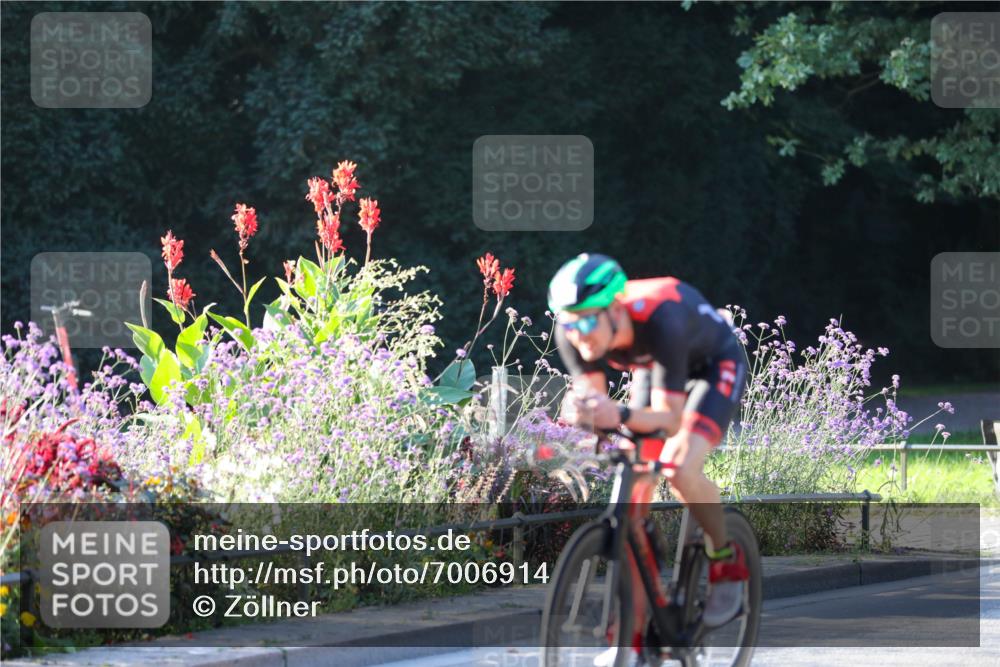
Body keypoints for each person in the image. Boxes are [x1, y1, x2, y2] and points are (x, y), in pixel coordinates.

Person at [548, 253, 750, 646]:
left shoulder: (662, 319)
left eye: (587, 321)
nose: (578, 334)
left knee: (678, 467)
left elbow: (670, 421)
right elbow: (595, 404)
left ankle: (726, 559)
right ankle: (636, 627)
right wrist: (587, 421)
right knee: (634, 489)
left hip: (712, 365)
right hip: (654, 366)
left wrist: (620, 413)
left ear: (615, 309)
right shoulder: (572, 333)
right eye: (570, 324)